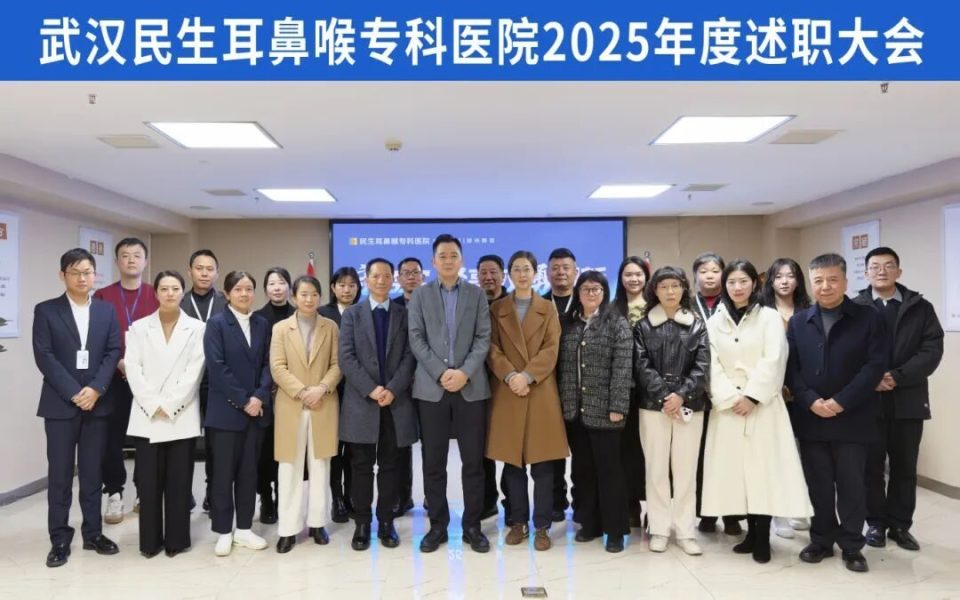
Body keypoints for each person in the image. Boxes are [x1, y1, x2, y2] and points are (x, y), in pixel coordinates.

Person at [702, 259, 813, 564]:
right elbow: (710, 364)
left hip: (763, 406)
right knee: (738, 474)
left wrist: (752, 396)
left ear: (754, 283)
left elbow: (775, 359)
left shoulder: (770, 317)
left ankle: (763, 537)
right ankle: (750, 534)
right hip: (728, 408)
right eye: (731, 282)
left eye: (743, 281)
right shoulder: (714, 321)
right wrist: (729, 397)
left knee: (763, 472)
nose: (737, 287)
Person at [787, 253, 886, 573]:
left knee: (851, 484)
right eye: (818, 281)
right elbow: (791, 369)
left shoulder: (868, 317)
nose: (825, 286)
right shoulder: (799, 321)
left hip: (853, 417)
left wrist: (842, 401)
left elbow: (875, 366)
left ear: (845, 281)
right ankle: (821, 540)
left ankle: (852, 545)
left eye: (832, 280)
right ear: (810, 283)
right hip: (811, 417)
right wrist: (810, 400)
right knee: (818, 483)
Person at [34, 248, 121, 568]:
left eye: (88, 272)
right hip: (60, 405)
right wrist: (75, 392)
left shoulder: (106, 311)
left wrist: (96, 389)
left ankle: (93, 533)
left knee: (92, 472)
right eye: (75, 272)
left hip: (97, 404)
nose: (83, 278)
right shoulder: (46, 311)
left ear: (95, 275)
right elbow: (44, 356)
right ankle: (59, 538)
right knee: (59, 475)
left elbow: (113, 351)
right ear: (63, 275)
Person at [407, 234, 492, 553]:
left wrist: (464, 372)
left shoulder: (477, 294)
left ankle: (472, 526)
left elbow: (483, 338)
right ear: (433, 261)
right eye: (442, 255)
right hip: (432, 389)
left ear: (461, 260)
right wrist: (441, 373)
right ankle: (437, 526)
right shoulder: (420, 295)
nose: (448, 260)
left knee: (473, 462)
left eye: (453, 255)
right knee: (433, 462)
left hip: (471, 388)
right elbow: (416, 338)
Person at [855, 247, 944, 552]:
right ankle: (875, 524)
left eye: (888, 265)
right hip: (868, 402)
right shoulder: (855, 307)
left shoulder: (921, 308)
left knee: (905, 467)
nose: (881, 271)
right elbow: (848, 352)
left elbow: (931, 350)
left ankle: (900, 526)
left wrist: (897, 376)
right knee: (871, 467)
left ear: (899, 272)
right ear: (866, 272)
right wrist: (872, 378)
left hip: (909, 399)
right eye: (875, 266)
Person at [487, 251, 568, 551]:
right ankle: (518, 521)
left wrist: (527, 376)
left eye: (527, 269)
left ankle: (542, 526)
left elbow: (551, 349)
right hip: (509, 390)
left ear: (536, 273)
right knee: (513, 464)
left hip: (539, 390)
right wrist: (511, 376)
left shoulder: (547, 308)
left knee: (543, 465)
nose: (522, 274)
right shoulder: (497, 309)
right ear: (509, 274)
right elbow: (492, 348)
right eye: (517, 269)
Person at [124, 270, 205, 558]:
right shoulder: (139, 328)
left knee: (179, 482)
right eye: (164, 289)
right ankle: (149, 542)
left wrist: (170, 405)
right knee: (148, 483)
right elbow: (132, 368)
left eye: (175, 288)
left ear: (183, 292)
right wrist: (152, 403)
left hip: (180, 414)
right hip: (147, 415)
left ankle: (177, 540)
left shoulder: (197, 328)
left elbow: (195, 371)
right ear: (155, 293)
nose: (170, 293)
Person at [339, 259, 418, 551]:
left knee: (390, 466)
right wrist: (372, 389)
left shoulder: (404, 314)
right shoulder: (352, 315)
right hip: (362, 403)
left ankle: (386, 523)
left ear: (393, 279)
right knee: (360, 467)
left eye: (386, 276)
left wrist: (393, 389)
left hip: (395, 403)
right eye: (376, 276)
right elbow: (346, 357)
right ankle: (362, 524)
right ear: (367, 279)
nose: (381, 281)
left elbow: (410, 356)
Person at [634, 266, 710, 556]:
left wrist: (681, 395)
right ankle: (659, 528)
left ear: (683, 289)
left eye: (675, 286)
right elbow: (641, 365)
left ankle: (686, 530)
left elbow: (703, 365)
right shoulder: (643, 326)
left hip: (690, 406)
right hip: (653, 407)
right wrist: (665, 396)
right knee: (655, 470)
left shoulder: (697, 325)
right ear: (654, 290)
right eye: (664, 286)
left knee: (686, 471)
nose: (670, 291)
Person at [557, 271, 632, 553]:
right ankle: (589, 523)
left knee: (609, 472)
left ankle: (615, 531)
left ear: (604, 292)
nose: (591, 293)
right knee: (582, 471)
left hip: (606, 412)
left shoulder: (617, 323)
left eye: (596, 289)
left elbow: (623, 368)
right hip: (574, 411)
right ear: (577, 293)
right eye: (586, 289)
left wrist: (617, 407)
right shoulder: (569, 324)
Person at [270, 275, 342, 553]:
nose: (309, 299)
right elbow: (277, 367)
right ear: (294, 298)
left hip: (323, 403)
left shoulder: (330, 326)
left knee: (320, 464)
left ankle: (317, 523)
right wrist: (302, 392)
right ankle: (288, 529)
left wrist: (321, 388)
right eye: (303, 294)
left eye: (313, 294)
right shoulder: (280, 328)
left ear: (320, 297)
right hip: (291, 404)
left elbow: (338, 364)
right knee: (289, 466)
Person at [204, 271, 273, 557]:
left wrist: (259, 396)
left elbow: (269, 363)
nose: (244, 294)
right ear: (227, 293)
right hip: (226, 412)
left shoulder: (262, 323)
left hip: (255, 412)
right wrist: (245, 400)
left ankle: (244, 528)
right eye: (238, 289)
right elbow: (217, 367)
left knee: (248, 472)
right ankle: (223, 530)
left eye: (249, 289)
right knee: (222, 475)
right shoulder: (217, 324)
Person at [94, 237, 159, 525]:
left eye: (136, 255)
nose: (131, 260)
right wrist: (120, 363)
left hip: (148, 380)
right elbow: (97, 338)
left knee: (147, 439)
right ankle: (114, 492)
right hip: (114, 378)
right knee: (112, 439)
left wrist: (139, 368)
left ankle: (144, 491)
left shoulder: (156, 294)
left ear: (145, 261)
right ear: (116, 261)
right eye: (125, 255)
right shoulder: (103, 296)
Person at [759, 258, 813, 539]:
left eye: (790, 276)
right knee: (776, 455)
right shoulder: (761, 312)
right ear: (770, 281)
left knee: (803, 456)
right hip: (773, 394)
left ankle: (799, 508)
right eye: (778, 276)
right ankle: (778, 514)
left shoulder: (809, 311)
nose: (784, 281)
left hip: (804, 395)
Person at [690, 252, 742, 536]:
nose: (709, 276)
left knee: (730, 457)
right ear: (695, 276)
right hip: (698, 392)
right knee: (702, 457)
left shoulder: (735, 304)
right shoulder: (687, 305)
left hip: (731, 393)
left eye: (714, 270)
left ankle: (732, 515)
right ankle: (707, 513)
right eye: (703, 271)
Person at [181, 249, 227, 513]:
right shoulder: (178, 302)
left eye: (210, 269)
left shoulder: (225, 303)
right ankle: (183, 493)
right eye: (199, 268)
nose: (204, 273)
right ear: (190, 271)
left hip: (216, 382)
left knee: (215, 443)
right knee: (185, 440)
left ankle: (212, 493)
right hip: (185, 382)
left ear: (217, 273)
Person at [254, 267, 295, 525]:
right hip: (267, 394)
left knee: (287, 450)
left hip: (293, 394)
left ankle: (284, 497)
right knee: (264, 450)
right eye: (271, 283)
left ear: (290, 287)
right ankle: (266, 498)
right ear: (265, 289)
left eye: (281, 282)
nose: (277, 288)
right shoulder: (257, 318)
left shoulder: (299, 314)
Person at [612, 256, 651, 528]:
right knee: (627, 452)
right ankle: (630, 506)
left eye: (638, 274)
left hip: (653, 390)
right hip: (624, 390)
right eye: (628, 274)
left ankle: (655, 509)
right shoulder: (612, 309)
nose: (633, 279)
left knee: (653, 452)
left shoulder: (656, 307)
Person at [320, 266, 360, 524]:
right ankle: (336, 499)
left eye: (351, 285)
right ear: (333, 287)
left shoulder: (364, 311)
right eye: (342, 285)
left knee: (355, 450)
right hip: (331, 390)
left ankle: (351, 496)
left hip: (357, 391)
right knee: (334, 449)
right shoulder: (322, 314)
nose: (347, 290)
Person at [543, 247, 578, 522]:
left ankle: (581, 501)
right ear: (546, 273)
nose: (561, 272)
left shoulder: (586, 302)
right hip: (547, 388)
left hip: (580, 387)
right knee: (551, 450)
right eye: (555, 268)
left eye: (566, 267)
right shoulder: (540, 304)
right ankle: (555, 500)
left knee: (581, 451)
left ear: (575, 271)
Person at [477, 254, 510, 521]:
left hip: (508, 385)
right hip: (477, 386)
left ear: (502, 274)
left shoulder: (514, 303)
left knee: (510, 448)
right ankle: (487, 501)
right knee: (481, 449)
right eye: (483, 272)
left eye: (493, 272)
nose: (488, 277)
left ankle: (513, 504)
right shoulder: (472, 302)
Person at [392, 257, 425, 517]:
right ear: (399, 278)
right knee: (400, 445)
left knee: (432, 445)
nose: (411, 276)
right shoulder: (391, 307)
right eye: (406, 273)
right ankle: (402, 497)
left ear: (423, 276)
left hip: (429, 383)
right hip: (400, 387)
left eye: (415, 272)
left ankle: (431, 497)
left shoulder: (432, 302)